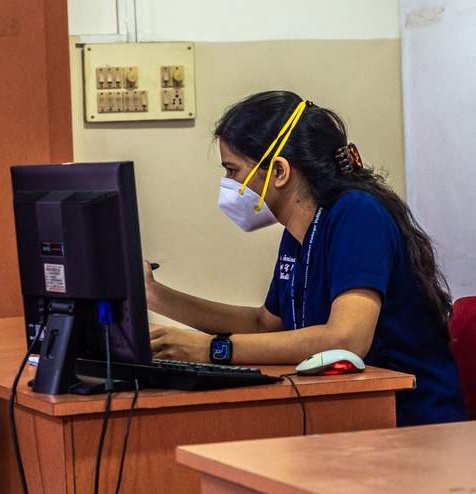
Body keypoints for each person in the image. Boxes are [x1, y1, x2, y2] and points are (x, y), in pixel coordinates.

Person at [145, 91, 467, 426]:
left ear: (280, 172)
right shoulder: (300, 229)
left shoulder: (357, 214)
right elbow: (266, 325)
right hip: (350, 414)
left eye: (233, 170)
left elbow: (347, 339)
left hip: (412, 422)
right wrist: (155, 295)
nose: (229, 184)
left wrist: (215, 350)